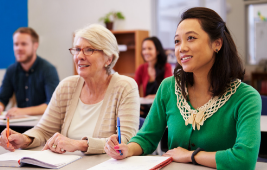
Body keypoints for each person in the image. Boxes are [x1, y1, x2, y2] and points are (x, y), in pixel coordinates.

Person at [104, 7, 261, 170]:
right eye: (177, 41)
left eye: (191, 38)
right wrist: (126, 149)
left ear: (217, 43)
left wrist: (190, 155)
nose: (181, 48)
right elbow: (147, 138)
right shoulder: (168, 87)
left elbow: (244, 159)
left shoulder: (246, 97)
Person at [0, 24, 140, 154]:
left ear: (108, 58)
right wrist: (25, 139)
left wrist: (79, 144)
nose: (79, 56)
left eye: (89, 50)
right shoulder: (67, 86)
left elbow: (125, 141)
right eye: (77, 49)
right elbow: (44, 130)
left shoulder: (125, 87)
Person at [0, 27, 59, 117]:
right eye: (16, 44)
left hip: (42, 124)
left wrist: (22, 111)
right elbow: (2, 99)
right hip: (19, 123)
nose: (19, 48)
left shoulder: (48, 69)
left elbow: (53, 105)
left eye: (24, 44)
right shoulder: (11, 70)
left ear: (35, 46)